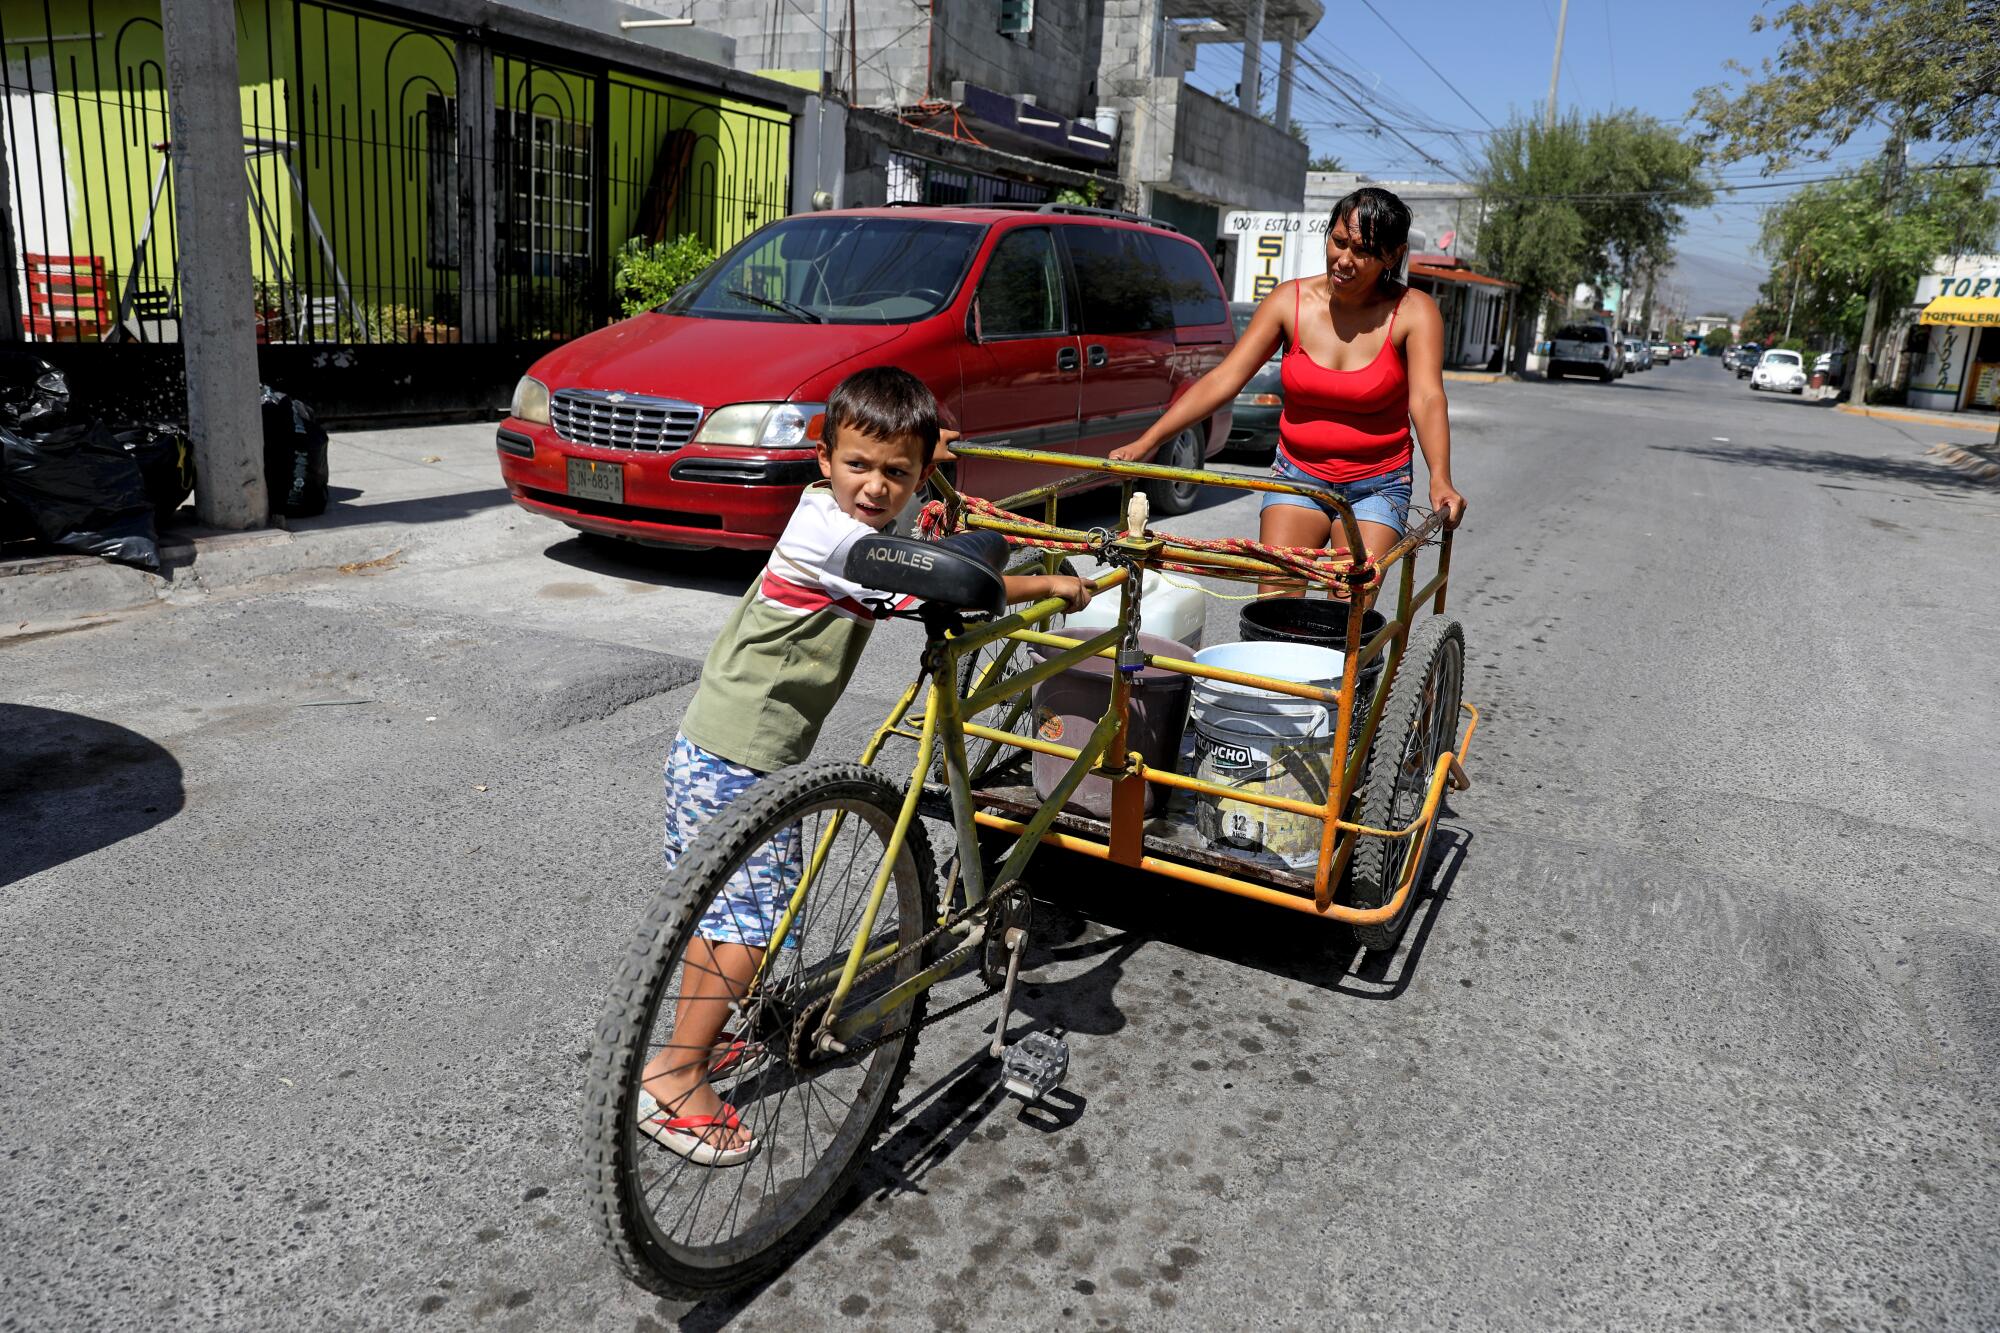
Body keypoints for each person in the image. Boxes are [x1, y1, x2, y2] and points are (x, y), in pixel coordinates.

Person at [639, 366, 1093, 1166]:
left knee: (724, 916)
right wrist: (1048, 581)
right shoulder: (832, 535)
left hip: (718, 741)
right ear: (823, 458)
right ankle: (675, 1080)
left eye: (898, 473)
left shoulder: (845, 512)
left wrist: (936, 467)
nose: (877, 487)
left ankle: (691, 1045)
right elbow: (950, 580)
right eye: (859, 465)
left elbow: (914, 527)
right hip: (739, 752)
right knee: (747, 925)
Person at [1112, 187, 1466, 594]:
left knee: (1348, 605)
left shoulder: (1413, 311)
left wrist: (1441, 477)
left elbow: (1426, 397)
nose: (1344, 260)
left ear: (1394, 254)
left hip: (1378, 484)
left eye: (1363, 251)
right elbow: (1224, 379)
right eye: (1338, 242)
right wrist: (1148, 441)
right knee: (1275, 602)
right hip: (1298, 476)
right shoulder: (1289, 301)